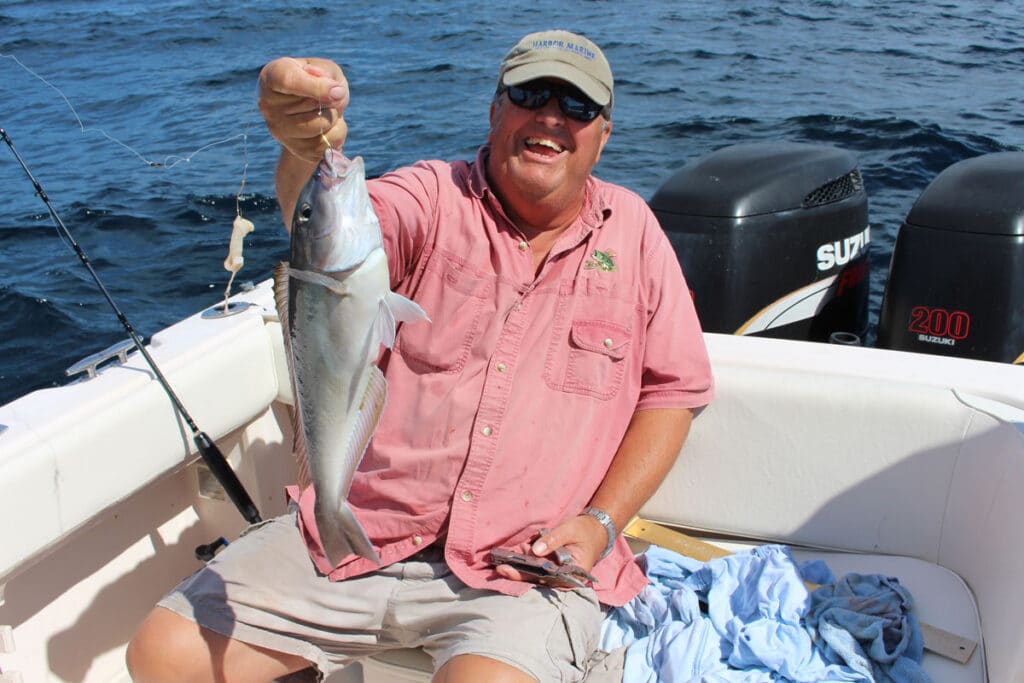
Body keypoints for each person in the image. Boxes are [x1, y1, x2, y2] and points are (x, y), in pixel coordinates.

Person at [126, 29, 713, 683]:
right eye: (530, 94)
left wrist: (601, 524)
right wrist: (303, 149)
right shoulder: (432, 197)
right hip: (364, 522)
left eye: (577, 107)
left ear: (603, 135)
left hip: (525, 562)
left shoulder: (635, 235)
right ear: (495, 111)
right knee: (164, 652)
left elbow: (674, 393)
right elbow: (325, 222)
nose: (550, 116)